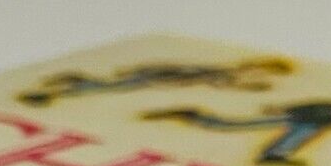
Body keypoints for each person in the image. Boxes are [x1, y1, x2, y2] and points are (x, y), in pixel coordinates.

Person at [142, 91, 331, 166]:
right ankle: (193, 115)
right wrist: (286, 108)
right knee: (231, 126)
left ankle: (273, 155)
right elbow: (329, 106)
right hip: (301, 116)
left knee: (303, 134)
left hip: (308, 121)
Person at [17, 58, 292, 107]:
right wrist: (251, 87)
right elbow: (220, 81)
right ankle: (56, 90)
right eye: (261, 69)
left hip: (154, 77)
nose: (257, 72)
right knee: (106, 87)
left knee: (104, 86)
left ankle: (64, 85)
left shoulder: (223, 70)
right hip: (154, 77)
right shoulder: (223, 71)